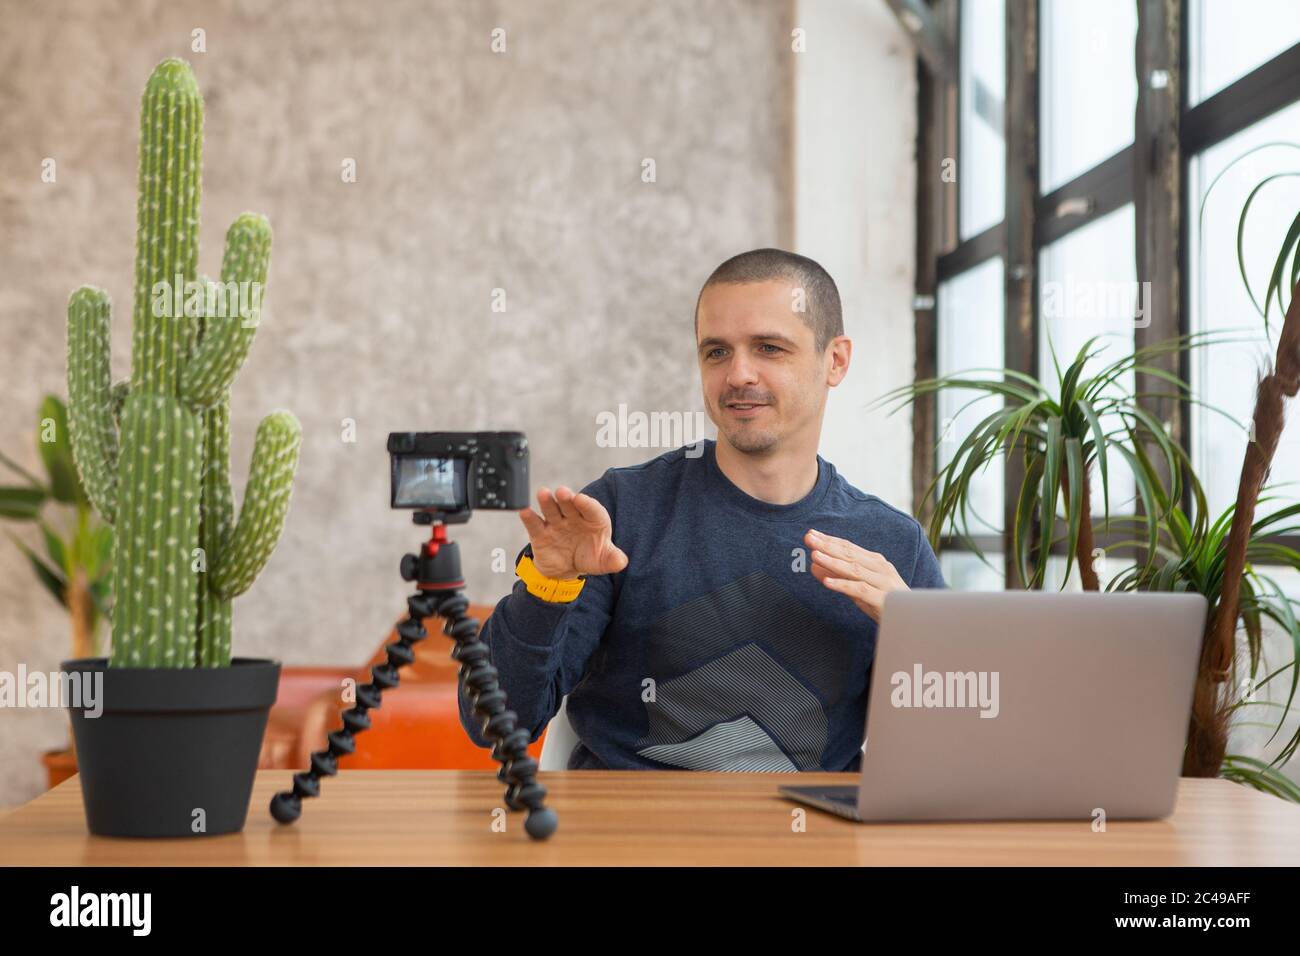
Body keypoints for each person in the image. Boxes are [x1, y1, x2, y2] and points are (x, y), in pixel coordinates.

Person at [458, 248, 946, 771]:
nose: (738, 374)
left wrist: (917, 638)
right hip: (630, 841)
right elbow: (494, 724)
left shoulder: (893, 545)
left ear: (836, 360)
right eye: (716, 352)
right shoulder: (619, 513)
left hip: (814, 842)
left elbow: (948, 752)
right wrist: (546, 587)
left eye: (768, 348)